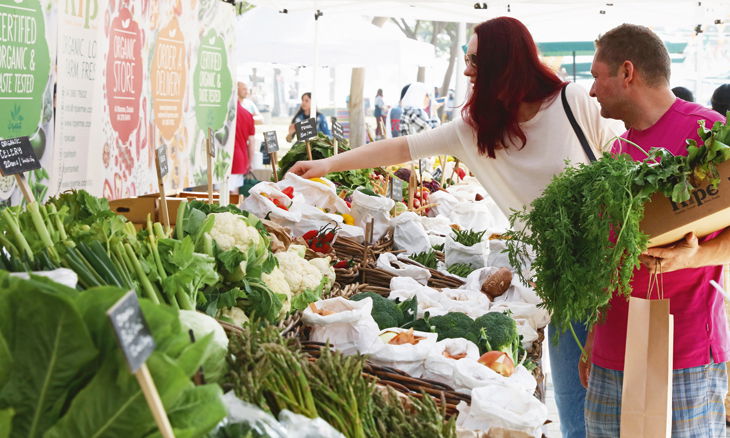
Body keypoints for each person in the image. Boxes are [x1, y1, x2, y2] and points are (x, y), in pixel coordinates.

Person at [289, 17, 620, 438]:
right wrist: (328, 164)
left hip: (614, 272)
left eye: (475, 60)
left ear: (505, 61)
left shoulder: (574, 101)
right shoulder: (477, 129)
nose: (467, 70)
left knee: (618, 409)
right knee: (576, 413)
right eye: (466, 59)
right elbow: (403, 148)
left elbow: (623, 163)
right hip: (561, 283)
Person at [582, 23, 729, 437]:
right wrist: (594, 336)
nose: (591, 91)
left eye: (596, 76)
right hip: (613, 353)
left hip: (685, 354)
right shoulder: (617, 151)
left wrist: (695, 255)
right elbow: (608, 256)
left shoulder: (708, 133)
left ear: (627, 72)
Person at [231, 82, 256, 194]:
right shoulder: (247, 114)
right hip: (240, 159)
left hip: (224, 159)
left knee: (219, 196)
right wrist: (250, 161)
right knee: (234, 195)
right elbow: (252, 141)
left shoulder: (222, 114)